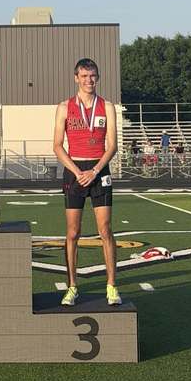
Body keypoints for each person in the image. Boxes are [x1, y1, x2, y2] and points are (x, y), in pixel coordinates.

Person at [53, 58, 121, 306]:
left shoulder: (107, 107)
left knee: (105, 230)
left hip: (99, 169)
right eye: (84, 76)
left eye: (92, 76)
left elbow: (112, 145)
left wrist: (94, 170)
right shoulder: (64, 107)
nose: (88, 80)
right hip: (74, 170)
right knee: (73, 232)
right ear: (76, 78)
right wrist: (77, 171)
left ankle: (111, 286)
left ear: (98, 77)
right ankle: (72, 286)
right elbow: (57, 146)